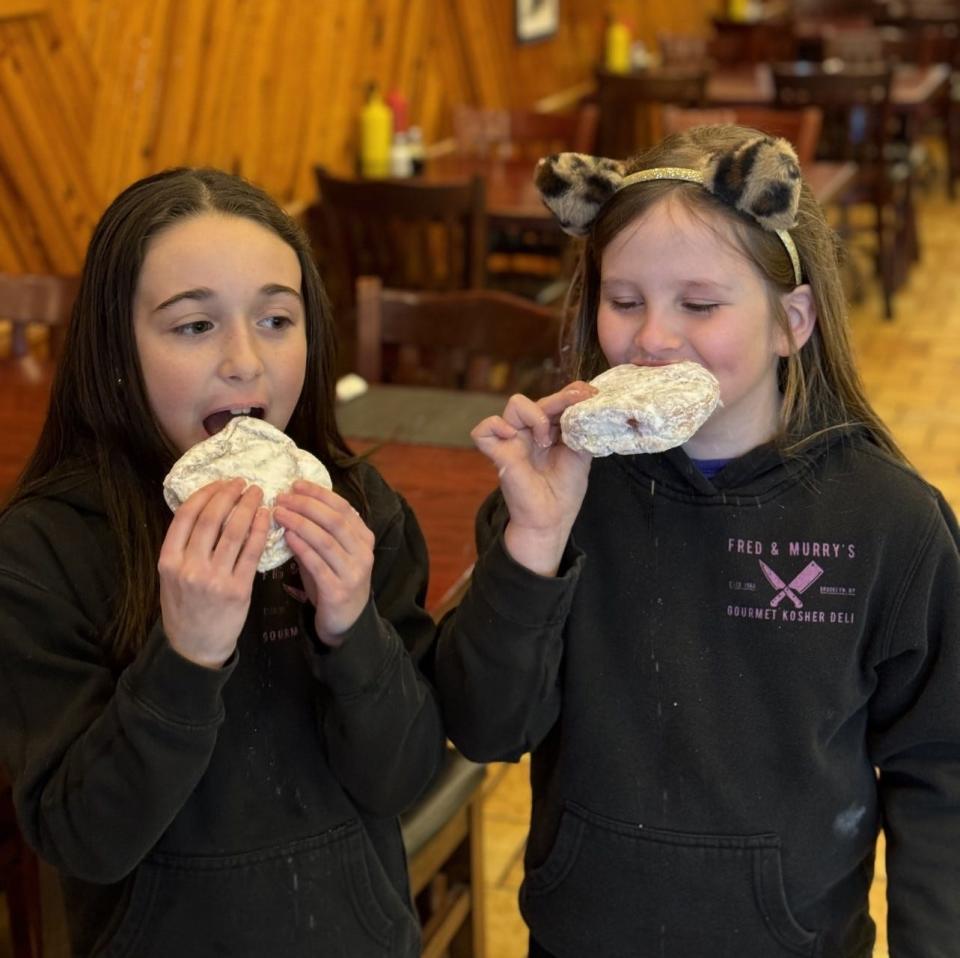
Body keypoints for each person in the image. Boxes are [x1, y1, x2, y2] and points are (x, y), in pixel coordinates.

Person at [434, 126, 960, 958]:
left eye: (700, 304)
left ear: (792, 322)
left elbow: (941, 772)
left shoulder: (891, 522)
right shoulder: (560, 493)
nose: (652, 338)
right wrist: (532, 543)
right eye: (625, 299)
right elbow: (486, 729)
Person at [0, 167, 445, 957]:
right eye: (194, 326)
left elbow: (403, 780)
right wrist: (189, 654)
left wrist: (353, 632)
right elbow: (83, 839)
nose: (246, 360)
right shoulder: (44, 551)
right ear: (114, 349)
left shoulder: (359, 511)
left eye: (277, 318)